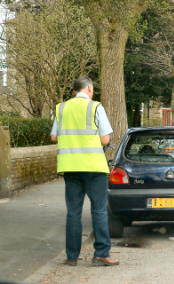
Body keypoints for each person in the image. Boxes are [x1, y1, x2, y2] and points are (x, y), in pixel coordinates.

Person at [50, 76, 119, 266]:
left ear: (75, 90)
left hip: (70, 167)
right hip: (93, 167)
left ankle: (71, 257)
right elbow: (105, 140)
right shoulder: (95, 107)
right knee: (98, 210)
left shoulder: (61, 108)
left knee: (73, 212)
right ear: (89, 88)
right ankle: (101, 254)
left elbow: (54, 137)